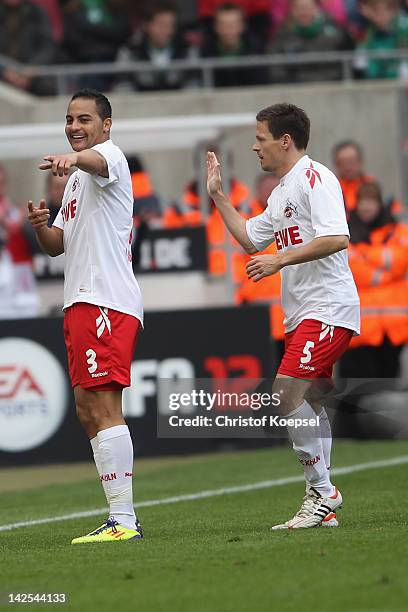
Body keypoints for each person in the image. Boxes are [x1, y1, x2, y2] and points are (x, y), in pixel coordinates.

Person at [206, 103, 360, 529]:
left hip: (327, 306)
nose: (255, 147)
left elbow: (337, 237)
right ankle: (322, 503)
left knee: (285, 393)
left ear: (284, 140)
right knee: (311, 400)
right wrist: (218, 196)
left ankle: (323, 492)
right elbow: (251, 241)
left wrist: (280, 260)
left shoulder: (316, 178)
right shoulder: (281, 192)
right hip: (304, 312)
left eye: (260, 139)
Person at [27, 89, 144, 544]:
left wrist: (74, 159)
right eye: (69, 118)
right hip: (80, 300)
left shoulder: (109, 158)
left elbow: (96, 162)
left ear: (106, 125)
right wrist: (42, 227)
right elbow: (59, 245)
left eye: (85, 119)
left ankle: (124, 521)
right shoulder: (77, 180)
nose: (75, 126)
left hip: (105, 301)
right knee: (86, 408)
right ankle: (119, 518)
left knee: (103, 405)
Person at [269, 0, 354, 84]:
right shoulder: (283, 34)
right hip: (296, 88)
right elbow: (275, 66)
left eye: (306, 7)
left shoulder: (336, 30)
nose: (303, 11)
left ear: (316, 8)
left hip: (333, 85)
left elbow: (350, 58)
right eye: (298, 7)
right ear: (292, 10)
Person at [124, 1, 192, 92]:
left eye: (171, 25)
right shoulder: (130, 51)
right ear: (146, 25)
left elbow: (193, 86)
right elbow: (123, 87)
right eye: (161, 25)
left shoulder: (187, 50)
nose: (167, 30)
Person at [200, 2, 265, 87]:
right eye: (223, 25)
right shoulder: (205, 52)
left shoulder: (257, 51)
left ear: (242, 26)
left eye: (233, 25)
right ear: (216, 27)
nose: (228, 30)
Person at [332, 140, 403, 216]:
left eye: (351, 161)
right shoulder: (332, 187)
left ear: (360, 161)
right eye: (343, 162)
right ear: (336, 164)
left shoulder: (371, 185)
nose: (348, 166)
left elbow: (396, 210)